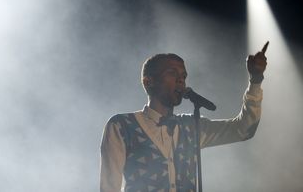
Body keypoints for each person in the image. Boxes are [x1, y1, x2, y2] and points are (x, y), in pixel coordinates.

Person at [100, 42, 268, 192]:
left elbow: (243, 129)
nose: (181, 80)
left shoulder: (192, 126)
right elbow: (109, 187)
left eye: (183, 76)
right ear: (148, 82)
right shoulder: (121, 125)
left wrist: (256, 80)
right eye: (172, 73)